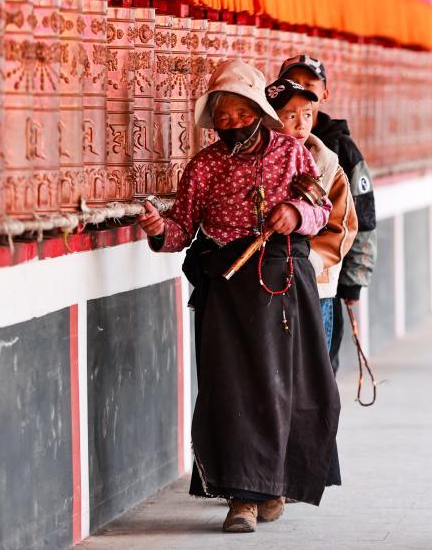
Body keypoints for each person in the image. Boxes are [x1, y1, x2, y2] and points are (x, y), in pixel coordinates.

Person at [136, 59, 339, 533]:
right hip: (226, 290)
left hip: (283, 284)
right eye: (222, 116)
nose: (232, 123)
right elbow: (181, 230)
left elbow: (321, 208)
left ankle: (275, 484)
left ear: (258, 112)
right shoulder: (204, 166)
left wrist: (296, 212)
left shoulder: (292, 153)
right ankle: (242, 499)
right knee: (232, 391)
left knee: (286, 387)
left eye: (241, 113)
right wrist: (158, 229)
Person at [278, 55, 376, 372]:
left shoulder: (337, 151)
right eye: (292, 83)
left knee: (319, 364)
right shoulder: (268, 149)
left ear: (324, 93)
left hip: (322, 273)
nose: (300, 89)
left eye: (309, 84)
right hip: (275, 278)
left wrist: (354, 278)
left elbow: (360, 216)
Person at [265, 77, 358, 350]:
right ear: (268, 119)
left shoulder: (328, 167)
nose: (301, 124)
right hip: (265, 284)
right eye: (290, 116)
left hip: (315, 286)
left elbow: (342, 227)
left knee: (315, 363)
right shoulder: (254, 166)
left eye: (307, 115)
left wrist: (308, 264)